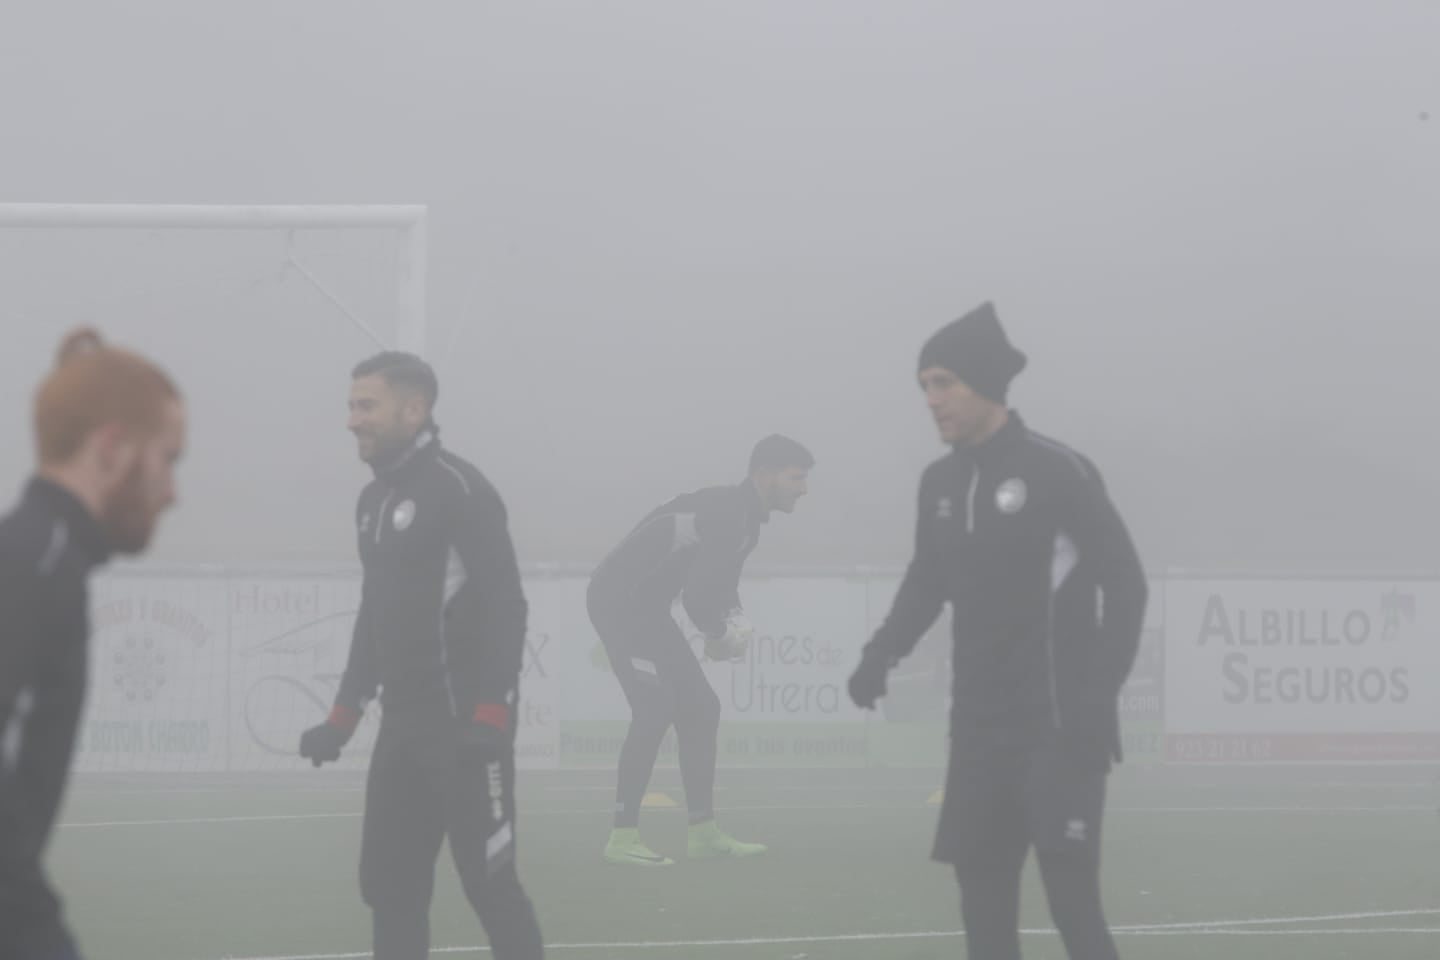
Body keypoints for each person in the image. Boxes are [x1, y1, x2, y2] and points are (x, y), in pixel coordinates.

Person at [848, 303, 1147, 960]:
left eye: (943, 382)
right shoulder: (940, 484)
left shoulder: (1058, 471)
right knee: (985, 925)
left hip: (1058, 731)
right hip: (979, 735)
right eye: (924, 385)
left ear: (983, 382)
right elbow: (927, 580)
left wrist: (1097, 697)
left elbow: (1126, 585)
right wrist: (879, 657)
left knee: (1074, 911)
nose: (931, 399)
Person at [298, 352, 543, 960]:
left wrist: (492, 713)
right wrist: (342, 717)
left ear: (414, 408)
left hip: (465, 733)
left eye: (366, 406)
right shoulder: (371, 502)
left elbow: (507, 606)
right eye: (351, 406)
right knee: (390, 891)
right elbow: (373, 615)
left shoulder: (463, 491)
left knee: (491, 887)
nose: (352, 420)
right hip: (402, 734)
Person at [0, 329, 185, 960]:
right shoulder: (36, 566)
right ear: (111, 449)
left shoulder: (44, 557)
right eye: (168, 459)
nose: (172, 493)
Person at [587, 435, 813, 866]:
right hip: (617, 602)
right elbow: (696, 598)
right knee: (654, 710)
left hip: (646, 608)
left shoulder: (745, 518)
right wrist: (718, 635)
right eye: (797, 477)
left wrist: (735, 618)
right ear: (764, 475)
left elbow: (720, 586)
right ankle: (622, 837)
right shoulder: (731, 513)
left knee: (702, 708)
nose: (804, 488)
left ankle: (703, 833)